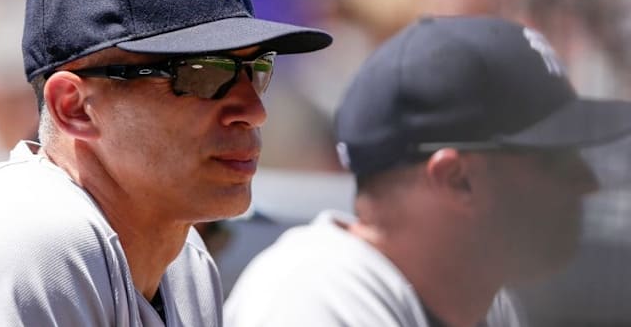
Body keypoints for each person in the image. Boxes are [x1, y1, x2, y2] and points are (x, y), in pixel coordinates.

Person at [0, 0, 331, 325]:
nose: (253, 111)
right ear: (74, 107)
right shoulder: (25, 241)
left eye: (256, 69)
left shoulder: (187, 265)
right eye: (203, 74)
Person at [224, 16, 631, 327]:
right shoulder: (311, 299)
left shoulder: (486, 303)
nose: (587, 182)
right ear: (457, 179)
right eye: (554, 160)